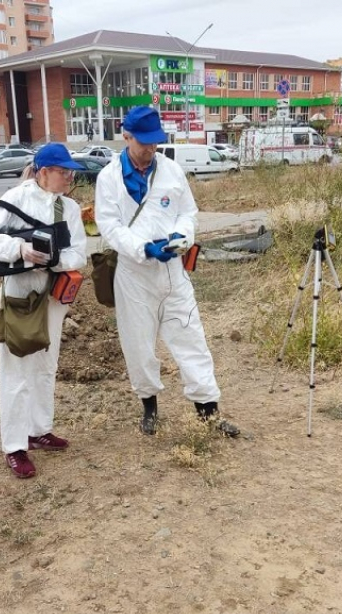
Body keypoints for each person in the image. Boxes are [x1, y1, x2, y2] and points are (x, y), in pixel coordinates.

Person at [94, 106, 239, 439]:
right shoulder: (108, 178)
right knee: (138, 344)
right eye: (143, 142)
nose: (150, 149)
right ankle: (149, 407)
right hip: (133, 275)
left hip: (173, 272)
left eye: (155, 142)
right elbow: (109, 226)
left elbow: (188, 213)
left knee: (191, 339)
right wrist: (143, 249)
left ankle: (208, 412)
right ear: (125, 136)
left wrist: (183, 238)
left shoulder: (172, 171)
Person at [0, 143, 87, 479]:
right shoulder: (16, 199)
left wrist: (52, 259)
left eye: (70, 171)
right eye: (63, 171)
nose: (69, 177)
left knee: (47, 365)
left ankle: (39, 429)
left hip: (54, 297)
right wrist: (18, 249)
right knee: (17, 370)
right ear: (43, 171)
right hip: (20, 295)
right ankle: (15, 446)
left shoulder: (70, 208)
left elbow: (79, 253)